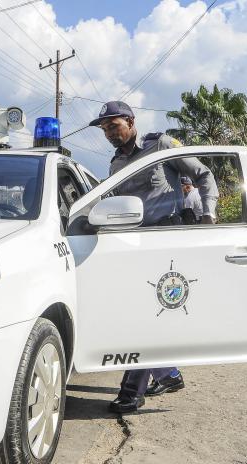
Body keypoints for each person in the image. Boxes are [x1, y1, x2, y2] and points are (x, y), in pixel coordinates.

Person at [89, 101, 219, 414]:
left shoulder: (160, 146)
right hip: (134, 245)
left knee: (145, 316)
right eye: (105, 128)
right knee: (141, 312)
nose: (109, 133)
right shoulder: (116, 164)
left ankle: (132, 392)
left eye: (114, 125)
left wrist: (209, 213)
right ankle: (168, 374)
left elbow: (203, 174)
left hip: (167, 241)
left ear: (131, 121)